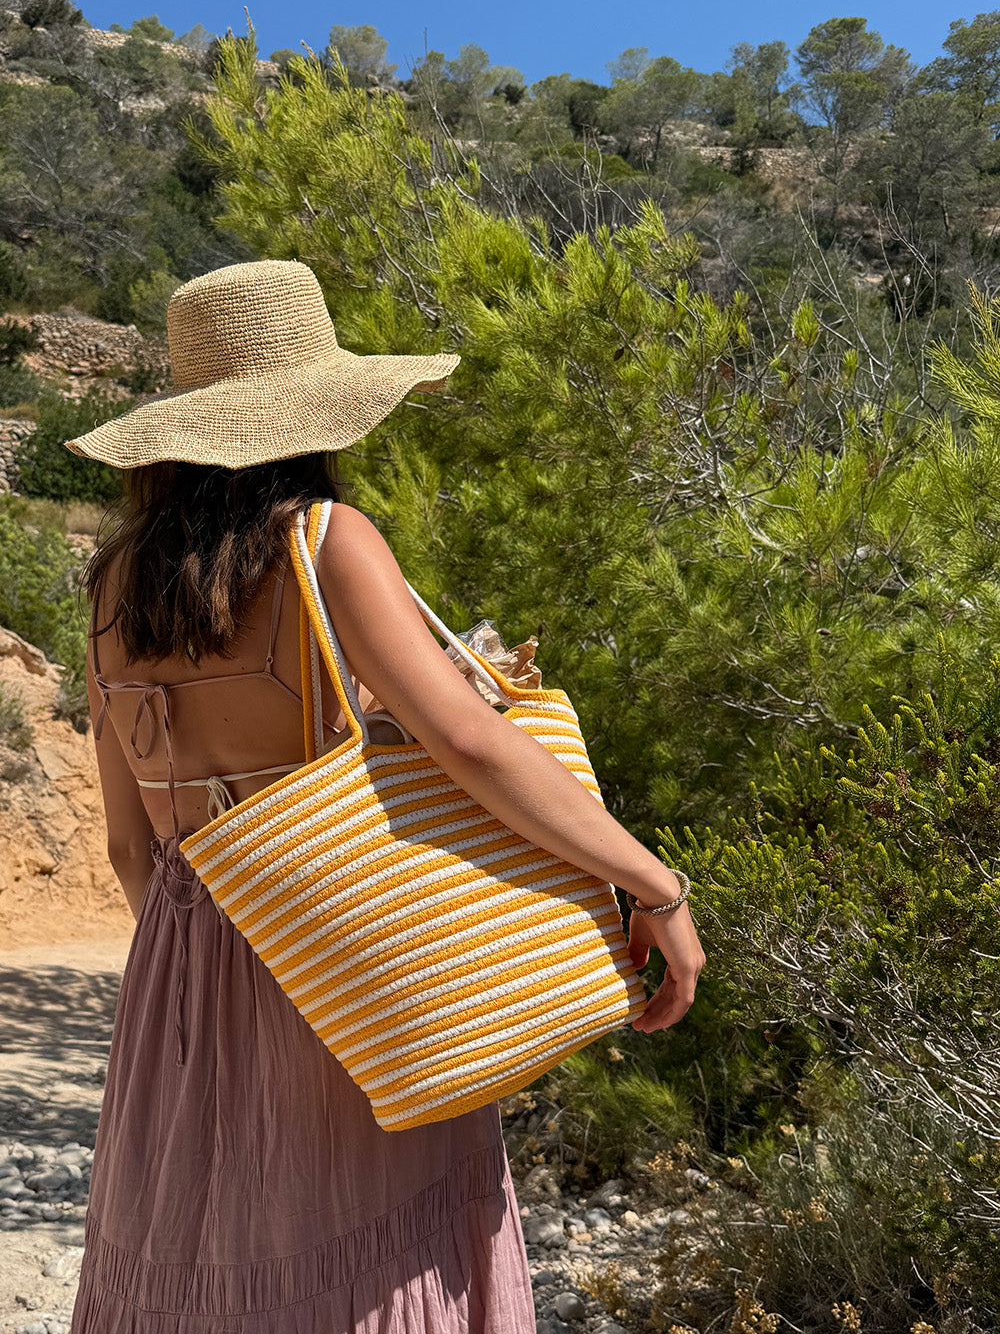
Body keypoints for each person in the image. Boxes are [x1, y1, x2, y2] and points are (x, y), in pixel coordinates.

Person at [65, 259, 705, 1333]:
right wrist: (652, 885)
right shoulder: (322, 539)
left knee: (197, 1256)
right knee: (364, 1262)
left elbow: (135, 848)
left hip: (179, 971)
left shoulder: (112, 588)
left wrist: (212, 985)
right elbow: (470, 742)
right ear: (315, 407)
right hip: (344, 948)